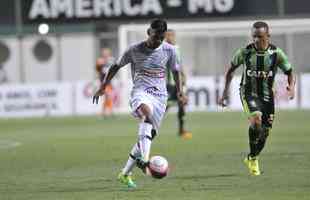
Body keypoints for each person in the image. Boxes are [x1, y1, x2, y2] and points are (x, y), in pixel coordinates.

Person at [93, 19, 187, 187]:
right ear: (148, 32)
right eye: (155, 36)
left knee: (148, 136)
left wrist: (180, 91)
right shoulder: (134, 50)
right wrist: (103, 87)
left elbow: (176, 71)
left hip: (160, 98)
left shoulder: (170, 50)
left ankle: (124, 174)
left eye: (161, 38)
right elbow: (115, 66)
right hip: (141, 93)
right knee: (146, 116)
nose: (157, 40)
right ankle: (144, 161)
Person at [219, 21, 295, 176]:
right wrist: (225, 92)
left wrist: (291, 87)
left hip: (267, 96)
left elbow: (289, 71)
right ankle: (254, 158)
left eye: (259, 37)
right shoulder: (245, 52)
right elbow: (230, 70)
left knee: (265, 132)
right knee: (256, 120)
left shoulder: (276, 54)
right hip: (248, 93)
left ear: (268, 36)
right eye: (254, 36)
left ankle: (252, 157)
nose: (256, 40)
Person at [165, 29, 192, 139]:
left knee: (182, 105)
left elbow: (179, 64)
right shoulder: (163, 49)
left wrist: (184, 76)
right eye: (168, 35)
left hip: (178, 83)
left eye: (172, 35)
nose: (171, 37)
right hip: (167, 83)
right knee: (164, 107)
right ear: (165, 37)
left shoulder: (177, 48)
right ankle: (150, 125)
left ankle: (181, 130)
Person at [95, 48, 115, 116]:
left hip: (109, 81)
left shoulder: (111, 60)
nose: (106, 54)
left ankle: (105, 112)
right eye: (105, 53)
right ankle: (108, 112)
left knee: (108, 97)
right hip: (103, 82)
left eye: (107, 53)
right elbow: (98, 70)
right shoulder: (100, 61)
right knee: (108, 96)